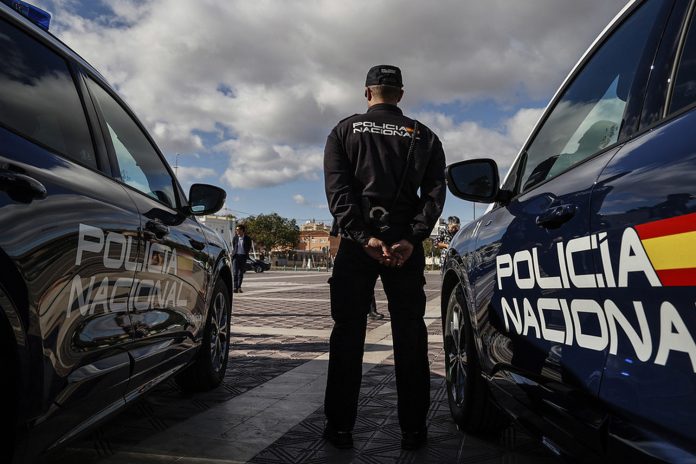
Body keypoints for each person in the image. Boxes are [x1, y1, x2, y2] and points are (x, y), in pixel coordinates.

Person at [323, 64, 446, 450]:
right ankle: (414, 429)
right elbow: (435, 193)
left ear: (367, 93)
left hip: (358, 247)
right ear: (401, 95)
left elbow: (338, 191)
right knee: (410, 333)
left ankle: (340, 428)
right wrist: (412, 238)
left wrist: (361, 237)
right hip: (404, 248)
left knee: (348, 333)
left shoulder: (345, 130)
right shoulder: (423, 134)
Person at [231, 224, 252, 293]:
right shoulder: (235, 238)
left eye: (238, 230)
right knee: (235, 272)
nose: (237, 231)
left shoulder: (247, 238)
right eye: (236, 230)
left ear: (242, 230)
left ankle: (239, 287)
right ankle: (235, 287)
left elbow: (249, 247)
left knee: (240, 273)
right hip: (236, 257)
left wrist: (246, 253)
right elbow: (234, 246)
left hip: (243, 257)